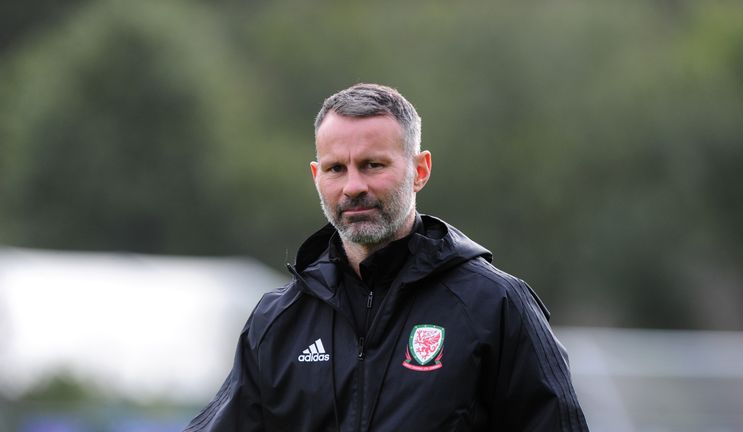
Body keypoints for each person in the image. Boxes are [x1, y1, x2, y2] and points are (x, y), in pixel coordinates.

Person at [185, 83, 589, 431]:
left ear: (420, 170)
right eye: (336, 168)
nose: (353, 186)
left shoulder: (495, 306)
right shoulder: (278, 321)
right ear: (316, 176)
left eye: (372, 165)